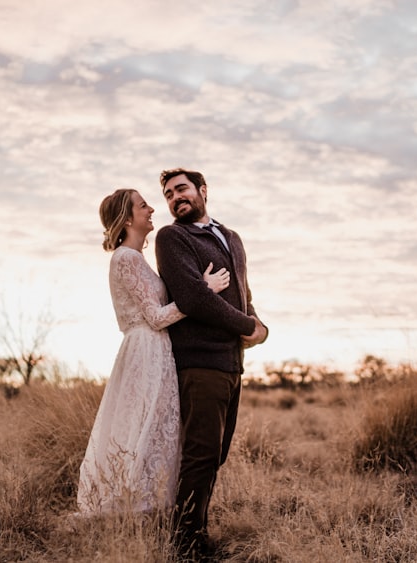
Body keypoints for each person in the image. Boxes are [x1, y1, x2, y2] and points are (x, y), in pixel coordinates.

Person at [76, 188, 231, 516]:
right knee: (144, 427)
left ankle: (151, 506)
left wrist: (195, 286)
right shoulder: (125, 258)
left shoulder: (137, 258)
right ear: (128, 218)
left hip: (157, 350)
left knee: (153, 430)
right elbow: (157, 317)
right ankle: (135, 509)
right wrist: (203, 292)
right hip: (145, 351)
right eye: (143, 205)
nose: (151, 210)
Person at [155, 168, 268, 559]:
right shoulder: (173, 237)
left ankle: (194, 529)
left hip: (232, 363)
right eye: (169, 194)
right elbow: (193, 298)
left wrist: (257, 323)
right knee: (200, 455)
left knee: (216, 454)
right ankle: (186, 544)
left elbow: (242, 291)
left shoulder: (232, 238)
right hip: (198, 362)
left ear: (202, 190)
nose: (175, 197)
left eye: (181, 189)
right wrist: (247, 325)